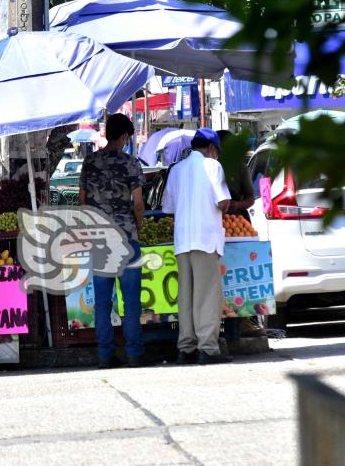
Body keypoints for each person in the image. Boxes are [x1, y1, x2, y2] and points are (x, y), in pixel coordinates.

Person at [79, 113, 152, 368]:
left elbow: (82, 202)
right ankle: (134, 354)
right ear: (123, 137)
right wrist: (137, 228)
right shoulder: (131, 163)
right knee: (130, 299)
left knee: (102, 301)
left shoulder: (89, 162)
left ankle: (105, 355)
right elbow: (139, 205)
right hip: (126, 238)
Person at [162, 128, 232, 365]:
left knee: (187, 296)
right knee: (207, 295)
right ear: (211, 149)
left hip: (183, 239)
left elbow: (168, 208)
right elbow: (223, 200)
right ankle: (208, 348)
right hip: (205, 238)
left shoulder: (177, 170)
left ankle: (186, 347)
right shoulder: (213, 166)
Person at [217, 130, 265, 338]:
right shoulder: (209, 168)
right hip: (216, 226)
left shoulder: (239, 167)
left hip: (238, 225)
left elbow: (250, 198)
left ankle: (240, 324)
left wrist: (235, 205)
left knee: (236, 278)